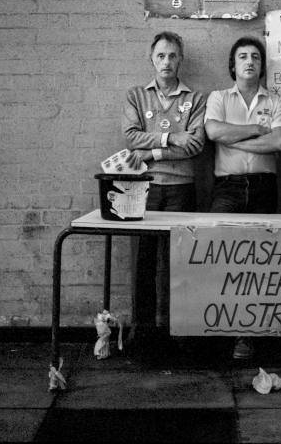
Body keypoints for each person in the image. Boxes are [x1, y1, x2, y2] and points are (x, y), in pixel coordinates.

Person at [205, 36, 281, 359]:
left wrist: (234, 140)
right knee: (221, 256)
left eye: (255, 56)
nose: (249, 61)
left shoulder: (278, 102)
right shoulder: (218, 97)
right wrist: (257, 129)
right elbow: (213, 133)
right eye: (242, 56)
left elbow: (279, 143)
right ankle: (217, 331)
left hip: (264, 186)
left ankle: (248, 336)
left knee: (260, 261)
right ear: (233, 65)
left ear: (262, 65)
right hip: (227, 186)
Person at [122, 31, 206, 345]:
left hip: (181, 188)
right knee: (143, 261)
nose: (166, 62)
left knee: (178, 262)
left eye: (172, 56)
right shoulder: (135, 95)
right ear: (152, 59)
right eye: (161, 56)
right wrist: (171, 139)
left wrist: (150, 151)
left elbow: (195, 145)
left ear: (181, 59)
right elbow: (130, 138)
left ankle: (176, 332)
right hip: (144, 188)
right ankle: (142, 333)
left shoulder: (195, 99)